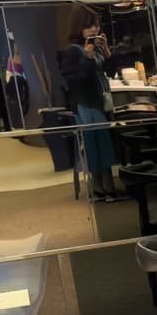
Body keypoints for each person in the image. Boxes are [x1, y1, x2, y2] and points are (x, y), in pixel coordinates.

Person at [59, 17, 121, 200]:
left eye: (96, 26)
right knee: (94, 143)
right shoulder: (72, 51)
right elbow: (75, 78)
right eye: (88, 26)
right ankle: (99, 187)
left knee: (104, 141)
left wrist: (107, 50)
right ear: (79, 29)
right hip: (85, 102)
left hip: (100, 100)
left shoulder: (98, 48)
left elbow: (111, 72)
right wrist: (87, 57)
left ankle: (107, 185)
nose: (94, 29)